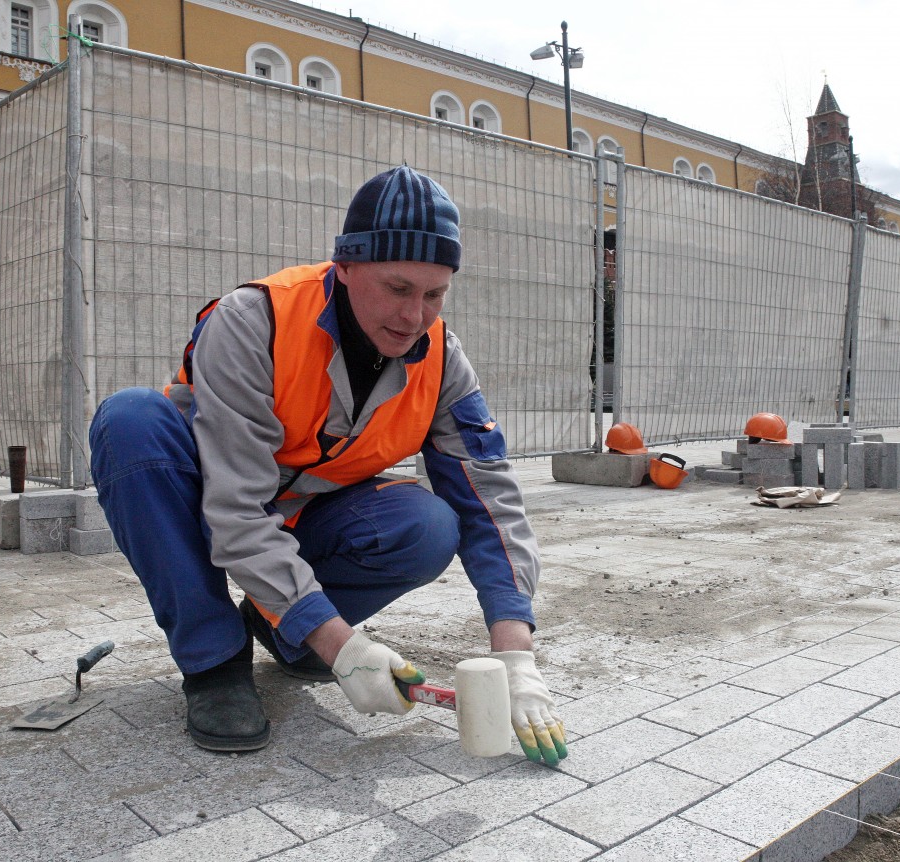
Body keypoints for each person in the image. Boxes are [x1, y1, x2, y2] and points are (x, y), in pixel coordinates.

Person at [89, 166, 567, 767]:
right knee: (129, 421)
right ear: (344, 267)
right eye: (397, 288)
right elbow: (237, 509)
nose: (414, 316)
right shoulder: (254, 321)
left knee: (428, 523)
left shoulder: (441, 360)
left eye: (434, 294)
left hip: (310, 516)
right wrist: (344, 647)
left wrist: (516, 657)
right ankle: (214, 660)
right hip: (206, 499)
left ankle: (288, 637)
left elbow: (489, 503)